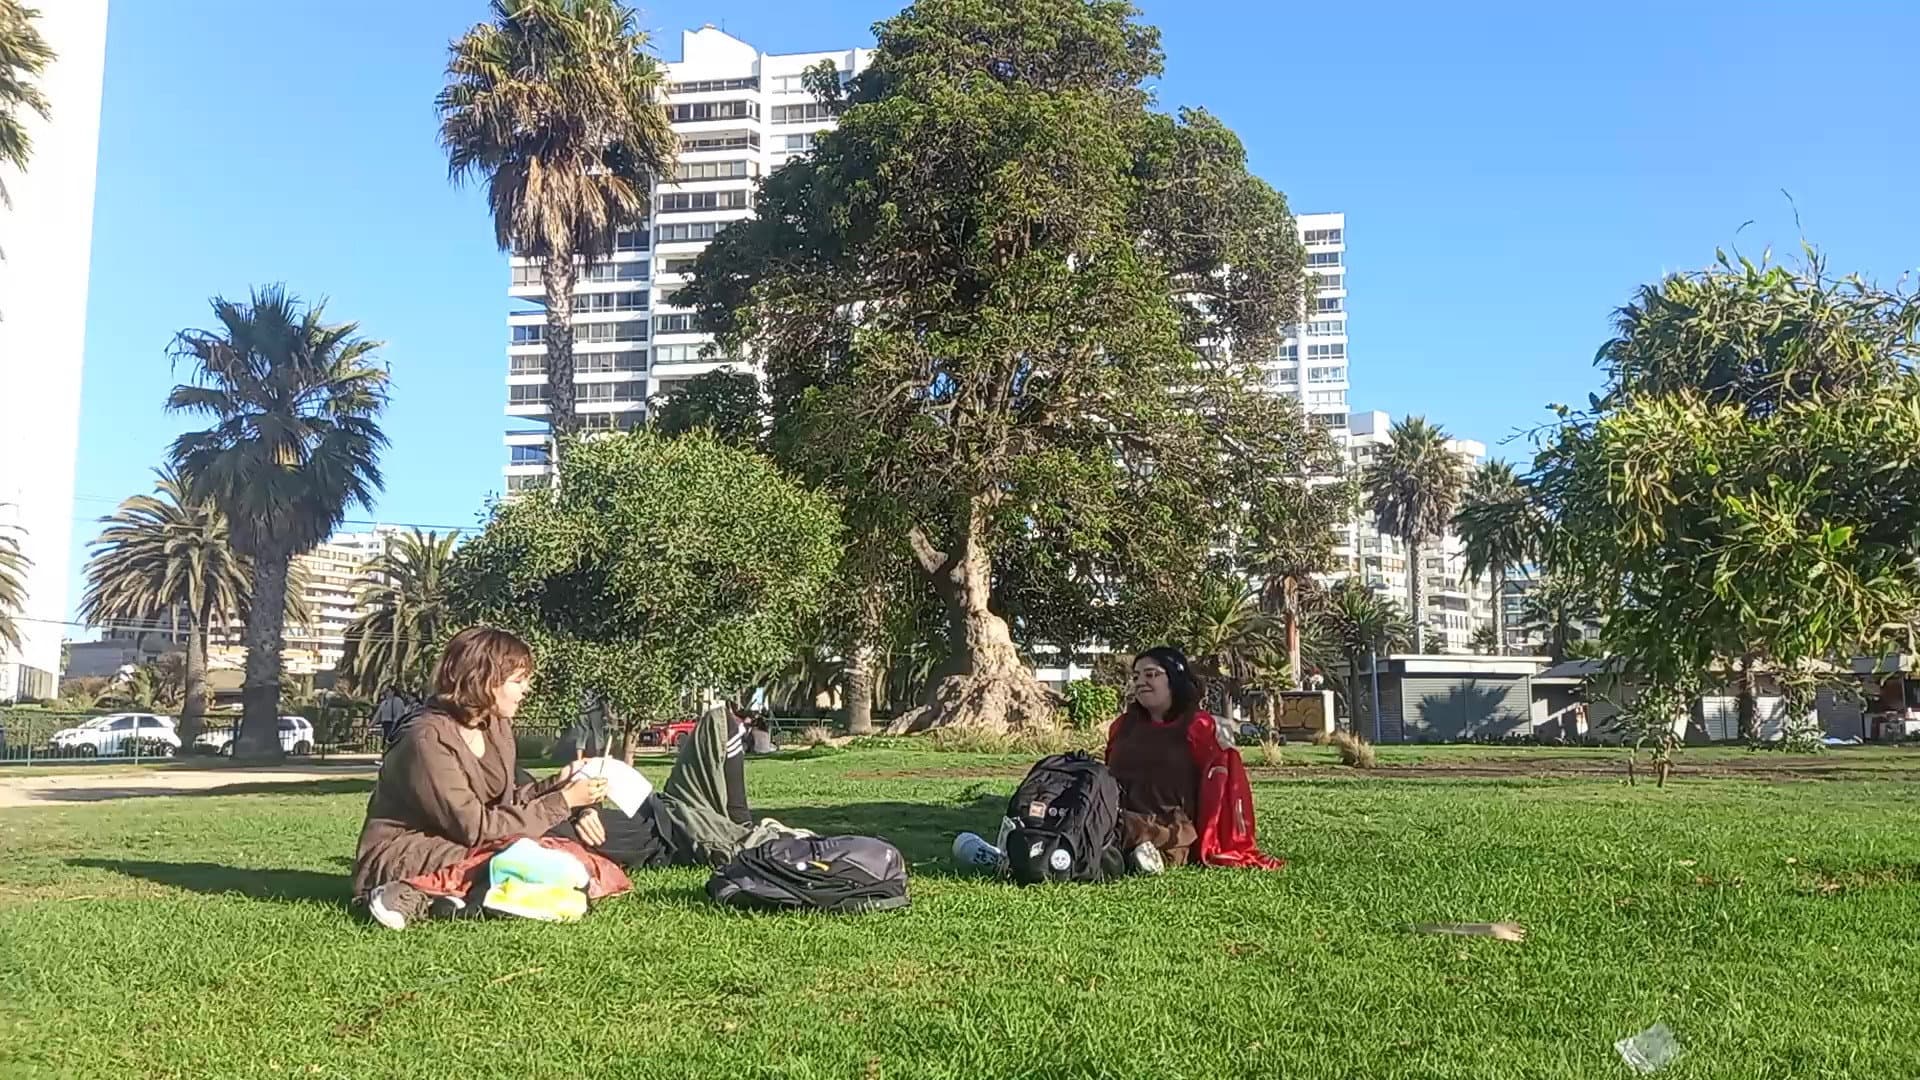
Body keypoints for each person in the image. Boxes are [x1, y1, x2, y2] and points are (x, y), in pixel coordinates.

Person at [352, 627, 615, 929]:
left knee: (560, 858)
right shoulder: (426, 739)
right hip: (409, 852)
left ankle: (453, 902)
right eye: (518, 680)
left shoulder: (494, 726)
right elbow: (476, 828)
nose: (527, 689)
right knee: (529, 859)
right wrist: (564, 801)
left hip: (464, 842)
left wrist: (560, 781)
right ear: (484, 680)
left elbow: (506, 804)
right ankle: (407, 893)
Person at [1104, 646, 1284, 871]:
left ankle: (1136, 854)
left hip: (1172, 827)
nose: (1140, 682)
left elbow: (1220, 791)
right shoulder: (1122, 726)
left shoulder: (1199, 726)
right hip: (1119, 818)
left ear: (1175, 678)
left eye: (1150, 674)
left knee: (1130, 834)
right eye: (1136, 676)